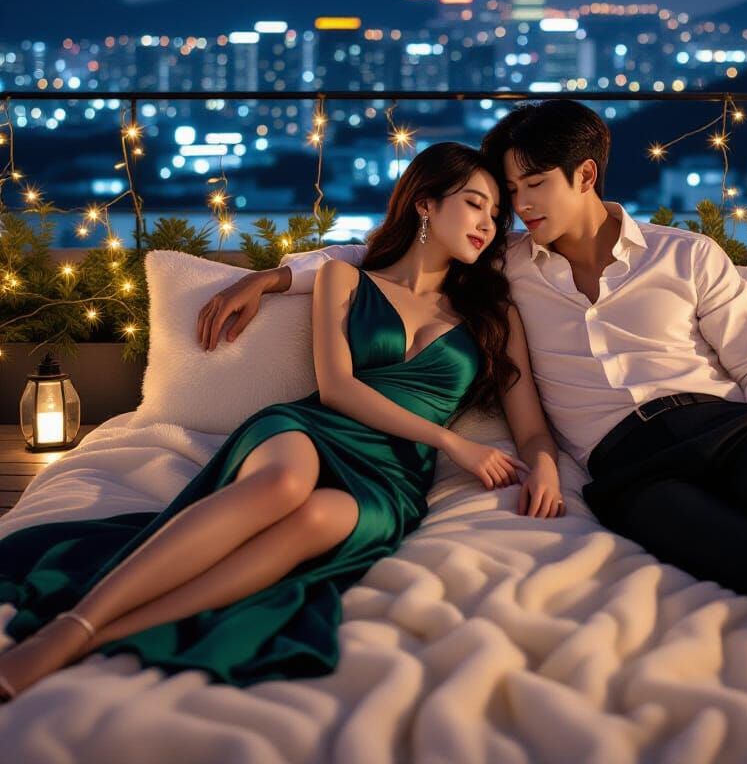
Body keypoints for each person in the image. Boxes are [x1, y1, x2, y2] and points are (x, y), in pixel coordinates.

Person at [197, 100, 747, 762]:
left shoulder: (686, 255)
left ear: (584, 175)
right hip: (631, 471)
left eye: (529, 189)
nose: (515, 209)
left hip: (731, 428)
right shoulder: (512, 266)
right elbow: (386, 251)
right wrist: (274, 275)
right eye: (506, 195)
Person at [0, 142, 566, 701]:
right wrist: (453, 443)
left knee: (320, 518)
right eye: (474, 203)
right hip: (313, 429)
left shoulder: (494, 316)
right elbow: (339, 389)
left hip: (392, 474)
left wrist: (545, 470)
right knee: (283, 485)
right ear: (424, 203)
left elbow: (533, 430)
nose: (488, 224)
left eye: (496, 215)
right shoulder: (344, 280)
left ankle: (106, 635)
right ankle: (70, 628)